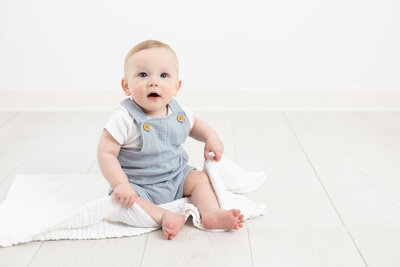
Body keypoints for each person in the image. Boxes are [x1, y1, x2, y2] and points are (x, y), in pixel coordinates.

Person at [97, 40, 244, 240]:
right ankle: (163, 215)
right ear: (126, 85)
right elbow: (106, 153)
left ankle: (210, 214)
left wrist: (211, 137)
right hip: (140, 185)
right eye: (143, 75)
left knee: (200, 179)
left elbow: (195, 126)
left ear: (176, 86)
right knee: (124, 203)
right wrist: (121, 184)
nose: (153, 82)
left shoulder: (179, 112)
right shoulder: (124, 117)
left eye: (163, 75)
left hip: (177, 176)